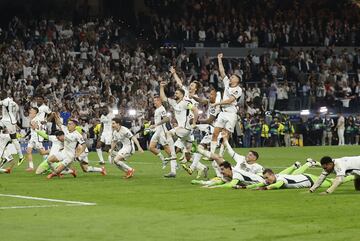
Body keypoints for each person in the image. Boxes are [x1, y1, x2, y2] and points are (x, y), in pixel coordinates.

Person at [159, 81, 199, 178]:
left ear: (181, 95)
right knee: (189, 155)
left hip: (185, 129)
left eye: (177, 93)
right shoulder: (174, 103)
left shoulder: (185, 103)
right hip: (183, 131)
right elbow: (163, 98)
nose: (175, 94)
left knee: (168, 134)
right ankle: (202, 167)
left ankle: (173, 155)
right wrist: (161, 87)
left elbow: (195, 110)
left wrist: (194, 123)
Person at [211, 53, 242, 155]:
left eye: (233, 77)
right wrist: (219, 59)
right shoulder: (227, 84)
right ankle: (212, 154)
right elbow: (222, 71)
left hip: (231, 113)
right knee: (215, 132)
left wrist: (217, 103)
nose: (231, 78)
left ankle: (220, 155)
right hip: (223, 112)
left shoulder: (238, 89)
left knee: (225, 135)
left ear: (237, 80)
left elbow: (230, 101)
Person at [46, 114, 86, 179]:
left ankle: (54, 173)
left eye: (70, 124)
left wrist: (78, 154)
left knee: (54, 173)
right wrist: (55, 115)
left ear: (74, 125)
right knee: (49, 160)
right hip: (63, 152)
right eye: (68, 124)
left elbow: (84, 145)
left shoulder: (77, 135)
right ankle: (68, 171)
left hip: (70, 156)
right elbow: (59, 123)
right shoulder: (65, 129)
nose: (68, 125)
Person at [0, 91, 25, 165]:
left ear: (4, 95)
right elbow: (17, 109)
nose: (0, 95)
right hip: (4, 120)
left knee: (14, 139)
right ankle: (5, 155)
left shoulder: (6, 101)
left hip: (10, 122)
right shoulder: (12, 102)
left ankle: (21, 156)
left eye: (1, 94)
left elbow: (2, 103)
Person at [148, 96, 172, 169]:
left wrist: (156, 125)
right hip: (157, 130)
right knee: (151, 147)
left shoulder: (162, 109)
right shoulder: (157, 110)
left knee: (166, 148)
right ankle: (164, 159)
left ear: (159, 101)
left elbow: (166, 119)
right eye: (154, 100)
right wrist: (153, 127)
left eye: (155, 100)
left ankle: (174, 163)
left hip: (162, 131)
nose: (154, 102)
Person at [26, 107, 48, 172]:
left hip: (37, 138)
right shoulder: (34, 119)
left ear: (35, 113)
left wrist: (32, 124)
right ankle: (31, 167)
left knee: (42, 152)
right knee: (28, 151)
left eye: (32, 111)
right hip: (33, 137)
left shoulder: (35, 120)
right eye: (30, 111)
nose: (30, 112)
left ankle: (49, 160)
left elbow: (35, 128)